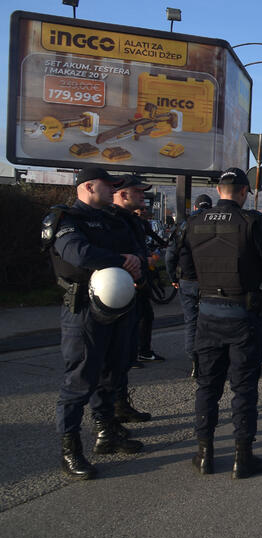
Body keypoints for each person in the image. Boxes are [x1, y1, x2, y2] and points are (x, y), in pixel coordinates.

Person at [177, 168, 262, 478]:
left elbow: (183, 269)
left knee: (207, 386)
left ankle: (204, 454)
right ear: (243, 191)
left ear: (218, 189)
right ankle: (242, 457)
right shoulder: (254, 222)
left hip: (208, 314)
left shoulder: (194, 222)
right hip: (243, 316)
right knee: (243, 389)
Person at [42, 167, 145, 479]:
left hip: (120, 306)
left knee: (113, 371)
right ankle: (70, 450)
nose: (113, 189)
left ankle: (106, 432)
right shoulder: (66, 219)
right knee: (80, 379)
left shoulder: (114, 219)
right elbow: (77, 252)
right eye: (107, 184)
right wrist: (121, 260)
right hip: (84, 309)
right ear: (88, 186)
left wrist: (135, 260)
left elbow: (136, 248)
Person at [107, 175, 157, 423]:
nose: (143, 196)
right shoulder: (111, 220)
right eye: (139, 192)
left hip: (134, 291)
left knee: (125, 355)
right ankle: (110, 414)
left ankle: (120, 404)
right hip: (117, 294)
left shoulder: (130, 220)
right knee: (113, 357)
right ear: (124, 194)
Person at [166, 193, 213, 377]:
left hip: (186, 281)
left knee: (191, 322)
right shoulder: (215, 226)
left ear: (194, 207)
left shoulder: (184, 226)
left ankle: (194, 359)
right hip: (209, 282)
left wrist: (173, 278)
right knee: (211, 322)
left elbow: (170, 255)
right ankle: (209, 359)